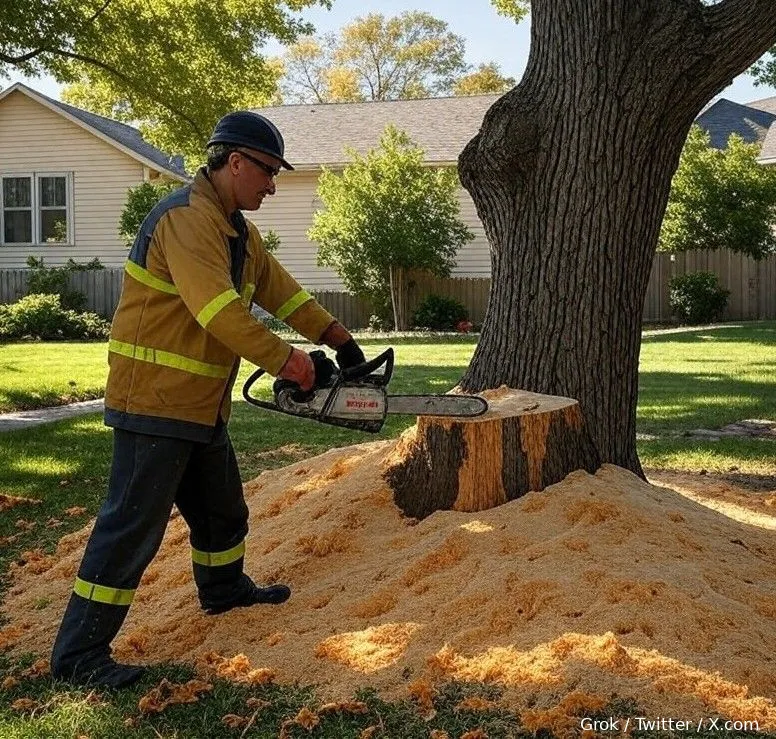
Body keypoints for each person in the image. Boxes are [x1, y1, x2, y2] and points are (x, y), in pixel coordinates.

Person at [50, 111, 366, 689]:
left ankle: (224, 592)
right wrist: (294, 364)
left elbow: (281, 292)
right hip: (154, 403)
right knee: (130, 531)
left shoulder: (236, 231)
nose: (272, 184)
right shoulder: (186, 221)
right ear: (235, 162)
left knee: (224, 514)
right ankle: (79, 658)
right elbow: (218, 312)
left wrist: (338, 340)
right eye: (268, 171)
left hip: (199, 405)